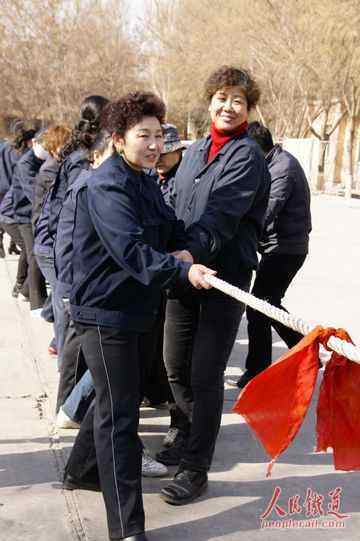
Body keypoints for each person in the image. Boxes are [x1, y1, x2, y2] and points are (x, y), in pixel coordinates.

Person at [62, 92, 215, 541]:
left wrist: (196, 247)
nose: (152, 144)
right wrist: (184, 271)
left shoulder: (144, 179)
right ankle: (127, 528)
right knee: (120, 416)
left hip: (137, 306)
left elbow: (169, 229)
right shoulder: (106, 184)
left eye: (157, 135)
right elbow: (131, 250)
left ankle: (79, 471)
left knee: (116, 399)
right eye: (142, 135)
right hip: (105, 312)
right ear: (118, 138)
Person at [157, 66, 270, 506]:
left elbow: (220, 216)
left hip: (223, 279)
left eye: (238, 100)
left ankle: (195, 467)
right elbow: (175, 205)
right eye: (222, 97)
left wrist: (189, 253)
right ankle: (182, 431)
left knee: (206, 374)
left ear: (248, 107)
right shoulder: (196, 149)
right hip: (185, 275)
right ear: (209, 101)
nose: (228, 106)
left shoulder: (246, 156)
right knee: (175, 363)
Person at [237, 122, 312, 388]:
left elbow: (267, 212)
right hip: (277, 247)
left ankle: (258, 370)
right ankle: (304, 350)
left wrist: (240, 235)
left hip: (285, 249)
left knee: (259, 308)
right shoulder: (271, 163)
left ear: (257, 148)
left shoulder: (283, 169)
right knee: (269, 305)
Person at [33, 125, 72, 358]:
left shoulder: (56, 168)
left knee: (60, 295)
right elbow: (51, 215)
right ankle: (60, 347)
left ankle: (56, 335)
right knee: (62, 300)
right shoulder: (51, 171)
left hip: (49, 242)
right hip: (49, 245)